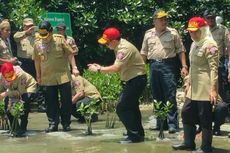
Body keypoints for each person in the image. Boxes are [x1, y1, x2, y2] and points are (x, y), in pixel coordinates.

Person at [88, 27, 147, 144]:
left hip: (136, 80)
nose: (106, 45)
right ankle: (137, 134)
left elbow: (116, 68)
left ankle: (134, 136)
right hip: (133, 79)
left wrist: (99, 69)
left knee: (122, 108)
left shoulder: (123, 49)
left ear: (114, 40)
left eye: (107, 43)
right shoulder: (118, 46)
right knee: (132, 107)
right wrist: (100, 67)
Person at [172, 17, 218, 153]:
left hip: (205, 87)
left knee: (205, 117)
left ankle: (206, 147)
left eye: (195, 31)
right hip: (194, 87)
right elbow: (193, 66)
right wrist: (187, 81)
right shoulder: (195, 44)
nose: (192, 34)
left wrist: (214, 89)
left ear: (202, 30)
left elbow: (214, 68)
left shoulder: (210, 44)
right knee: (186, 112)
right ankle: (188, 142)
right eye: (190, 32)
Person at [140, 9, 188, 133]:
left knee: (170, 95)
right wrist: (139, 69)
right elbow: (144, 53)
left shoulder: (173, 33)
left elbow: (180, 50)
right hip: (153, 66)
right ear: (154, 21)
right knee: (156, 95)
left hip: (169, 65)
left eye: (165, 19)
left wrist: (184, 66)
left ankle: (173, 124)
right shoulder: (148, 34)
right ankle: (161, 123)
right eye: (161, 19)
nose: (164, 21)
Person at [33, 21, 79, 132]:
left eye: (46, 35)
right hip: (47, 77)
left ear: (51, 31)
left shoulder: (60, 39)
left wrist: (74, 67)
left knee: (66, 101)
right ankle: (53, 124)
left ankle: (66, 123)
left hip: (63, 75)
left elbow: (70, 54)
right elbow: (37, 61)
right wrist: (38, 76)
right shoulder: (37, 43)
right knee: (50, 102)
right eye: (42, 35)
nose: (44, 38)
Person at [203, 9, 230, 136]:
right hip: (204, 68)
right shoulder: (202, 30)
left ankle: (218, 125)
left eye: (213, 18)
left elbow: (228, 49)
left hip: (219, 67)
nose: (211, 20)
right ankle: (205, 125)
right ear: (205, 19)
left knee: (222, 97)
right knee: (205, 97)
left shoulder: (223, 29)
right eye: (208, 18)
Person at [13, 18, 46, 113]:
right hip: (23, 62)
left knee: (39, 80)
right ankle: (25, 103)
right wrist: (26, 32)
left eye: (31, 25)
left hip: (35, 61)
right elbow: (15, 37)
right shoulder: (20, 35)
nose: (30, 27)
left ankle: (40, 104)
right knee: (23, 82)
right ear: (24, 26)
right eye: (27, 26)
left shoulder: (37, 35)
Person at [0, 62, 37, 137]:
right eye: (7, 77)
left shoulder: (20, 75)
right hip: (12, 90)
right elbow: (1, 89)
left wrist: (6, 94)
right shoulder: (1, 76)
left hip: (27, 88)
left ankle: (23, 127)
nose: (10, 78)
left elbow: (20, 92)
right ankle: (15, 127)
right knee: (7, 108)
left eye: (11, 76)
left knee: (23, 105)